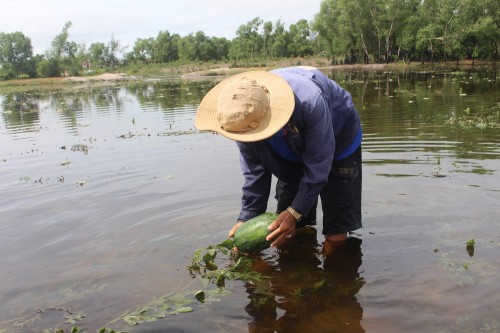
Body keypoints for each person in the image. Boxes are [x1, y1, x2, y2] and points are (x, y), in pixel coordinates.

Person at [195, 66, 362, 251]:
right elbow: (254, 175)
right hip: (288, 149)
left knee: (336, 224)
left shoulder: (309, 103)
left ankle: (338, 273)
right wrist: (247, 219)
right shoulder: (240, 119)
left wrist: (295, 211)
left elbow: (318, 166)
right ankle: (298, 266)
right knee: (284, 227)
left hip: (339, 139)